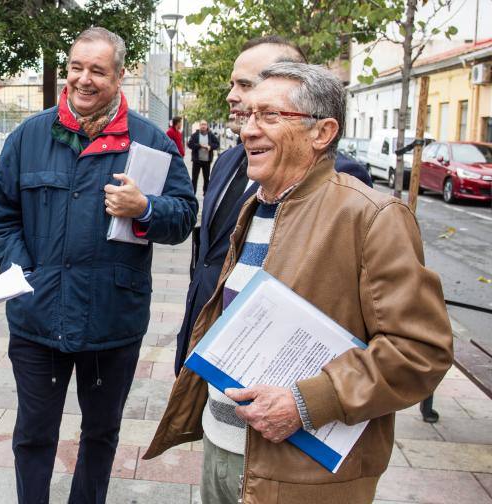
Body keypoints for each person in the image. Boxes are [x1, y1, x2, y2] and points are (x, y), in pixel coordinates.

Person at [146, 62, 453, 504]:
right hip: (222, 446)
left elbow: (421, 351)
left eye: (269, 116)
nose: (247, 131)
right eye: (247, 116)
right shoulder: (255, 205)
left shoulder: (371, 217)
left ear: (322, 131)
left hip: (302, 476)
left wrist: (308, 402)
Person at [0, 27, 197, 504]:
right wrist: (25, 272)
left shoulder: (152, 142)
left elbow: (183, 217)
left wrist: (145, 209)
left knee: (100, 435)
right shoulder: (29, 136)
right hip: (38, 318)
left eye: (97, 70)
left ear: (119, 76)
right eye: (77, 67)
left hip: (111, 321)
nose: (84, 79)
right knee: (34, 434)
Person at [175, 35, 374, 378]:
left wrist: (311, 400)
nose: (232, 95)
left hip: (280, 385)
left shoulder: (346, 188)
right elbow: (209, 259)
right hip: (207, 357)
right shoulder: (229, 161)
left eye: (246, 84)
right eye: (232, 83)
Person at [187, 120, 220, 194]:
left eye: (205, 124)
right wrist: (199, 146)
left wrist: (210, 147)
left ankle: (206, 193)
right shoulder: (195, 135)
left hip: (207, 161)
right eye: (202, 124)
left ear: (207, 126)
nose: (203, 126)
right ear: (199, 126)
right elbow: (190, 145)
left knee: (206, 179)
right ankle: (193, 193)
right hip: (197, 161)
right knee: (194, 179)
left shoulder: (211, 135)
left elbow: (217, 144)